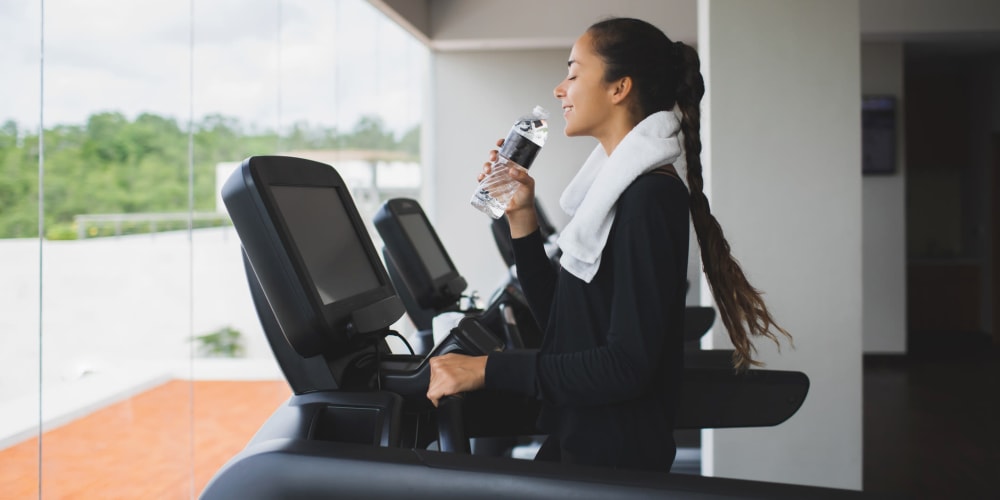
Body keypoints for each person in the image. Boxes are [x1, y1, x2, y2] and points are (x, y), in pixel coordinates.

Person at [427, 17, 792, 473]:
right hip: (580, 440)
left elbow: (626, 366)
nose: (561, 89)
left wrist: (486, 369)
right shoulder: (618, 195)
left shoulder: (650, 199)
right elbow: (562, 325)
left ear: (619, 88)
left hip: (610, 462)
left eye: (574, 73)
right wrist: (522, 216)